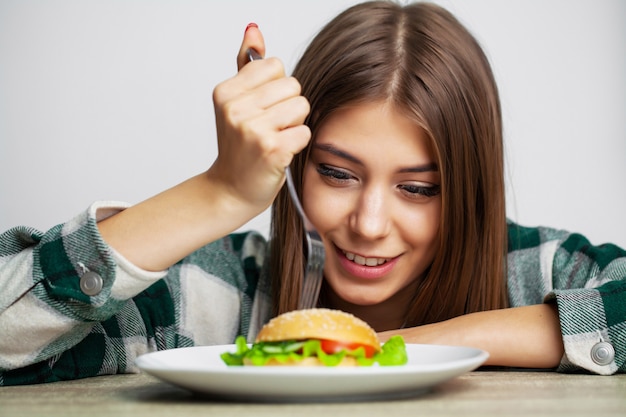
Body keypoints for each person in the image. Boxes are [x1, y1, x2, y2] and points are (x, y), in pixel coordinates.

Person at [0, 1, 624, 385]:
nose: (371, 222)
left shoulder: (531, 271)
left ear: (470, 191)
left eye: (417, 188)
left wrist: (385, 351)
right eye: (337, 174)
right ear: (294, 165)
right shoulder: (223, 295)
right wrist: (220, 192)